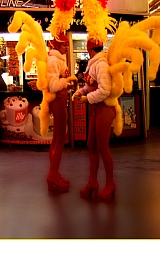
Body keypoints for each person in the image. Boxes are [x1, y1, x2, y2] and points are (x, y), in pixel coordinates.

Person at [76, 37, 115, 199]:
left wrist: (87, 98)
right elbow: (91, 85)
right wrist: (82, 91)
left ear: (90, 50)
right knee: (91, 144)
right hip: (96, 109)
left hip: (104, 108)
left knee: (102, 147)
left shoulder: (101, 65)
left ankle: (110, 184)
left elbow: (105, 90)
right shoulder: (95, 64)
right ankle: (93, 182)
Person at [45, 36, 78, 193]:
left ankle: (55, 172)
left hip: (60, 100)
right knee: (59, 139)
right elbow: (53, 86)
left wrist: (65, 82)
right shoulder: (53, 61)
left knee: (57, 138)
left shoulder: (58, 59)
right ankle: (52, 175)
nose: (67, 47)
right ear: (57, 45)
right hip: (57, 101)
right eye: (64, 44)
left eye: (67, 44)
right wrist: (66, 82)